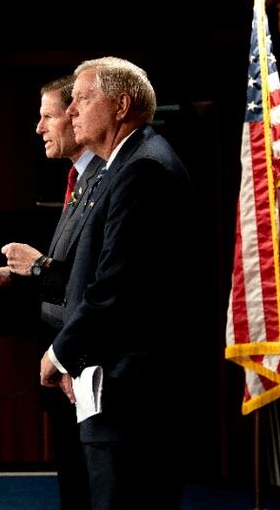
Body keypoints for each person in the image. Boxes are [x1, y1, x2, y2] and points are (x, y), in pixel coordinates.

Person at [39, 57, 196, 509]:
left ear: (121, 104)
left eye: (82, 100)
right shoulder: (126, 165)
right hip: (121, 387)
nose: (70, 111)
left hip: (133, 396)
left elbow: (116, 287)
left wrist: (60, 353)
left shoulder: (143, 169)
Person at [0, 74, 103, 509]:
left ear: (74, 114)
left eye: (48, 116)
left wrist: (71, 355)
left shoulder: (110, 180)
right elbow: (74, 273)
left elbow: (100, 285)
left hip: (87, 364)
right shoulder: (79, 181)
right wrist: (12, 275)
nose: (40, 127)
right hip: (69, 359)